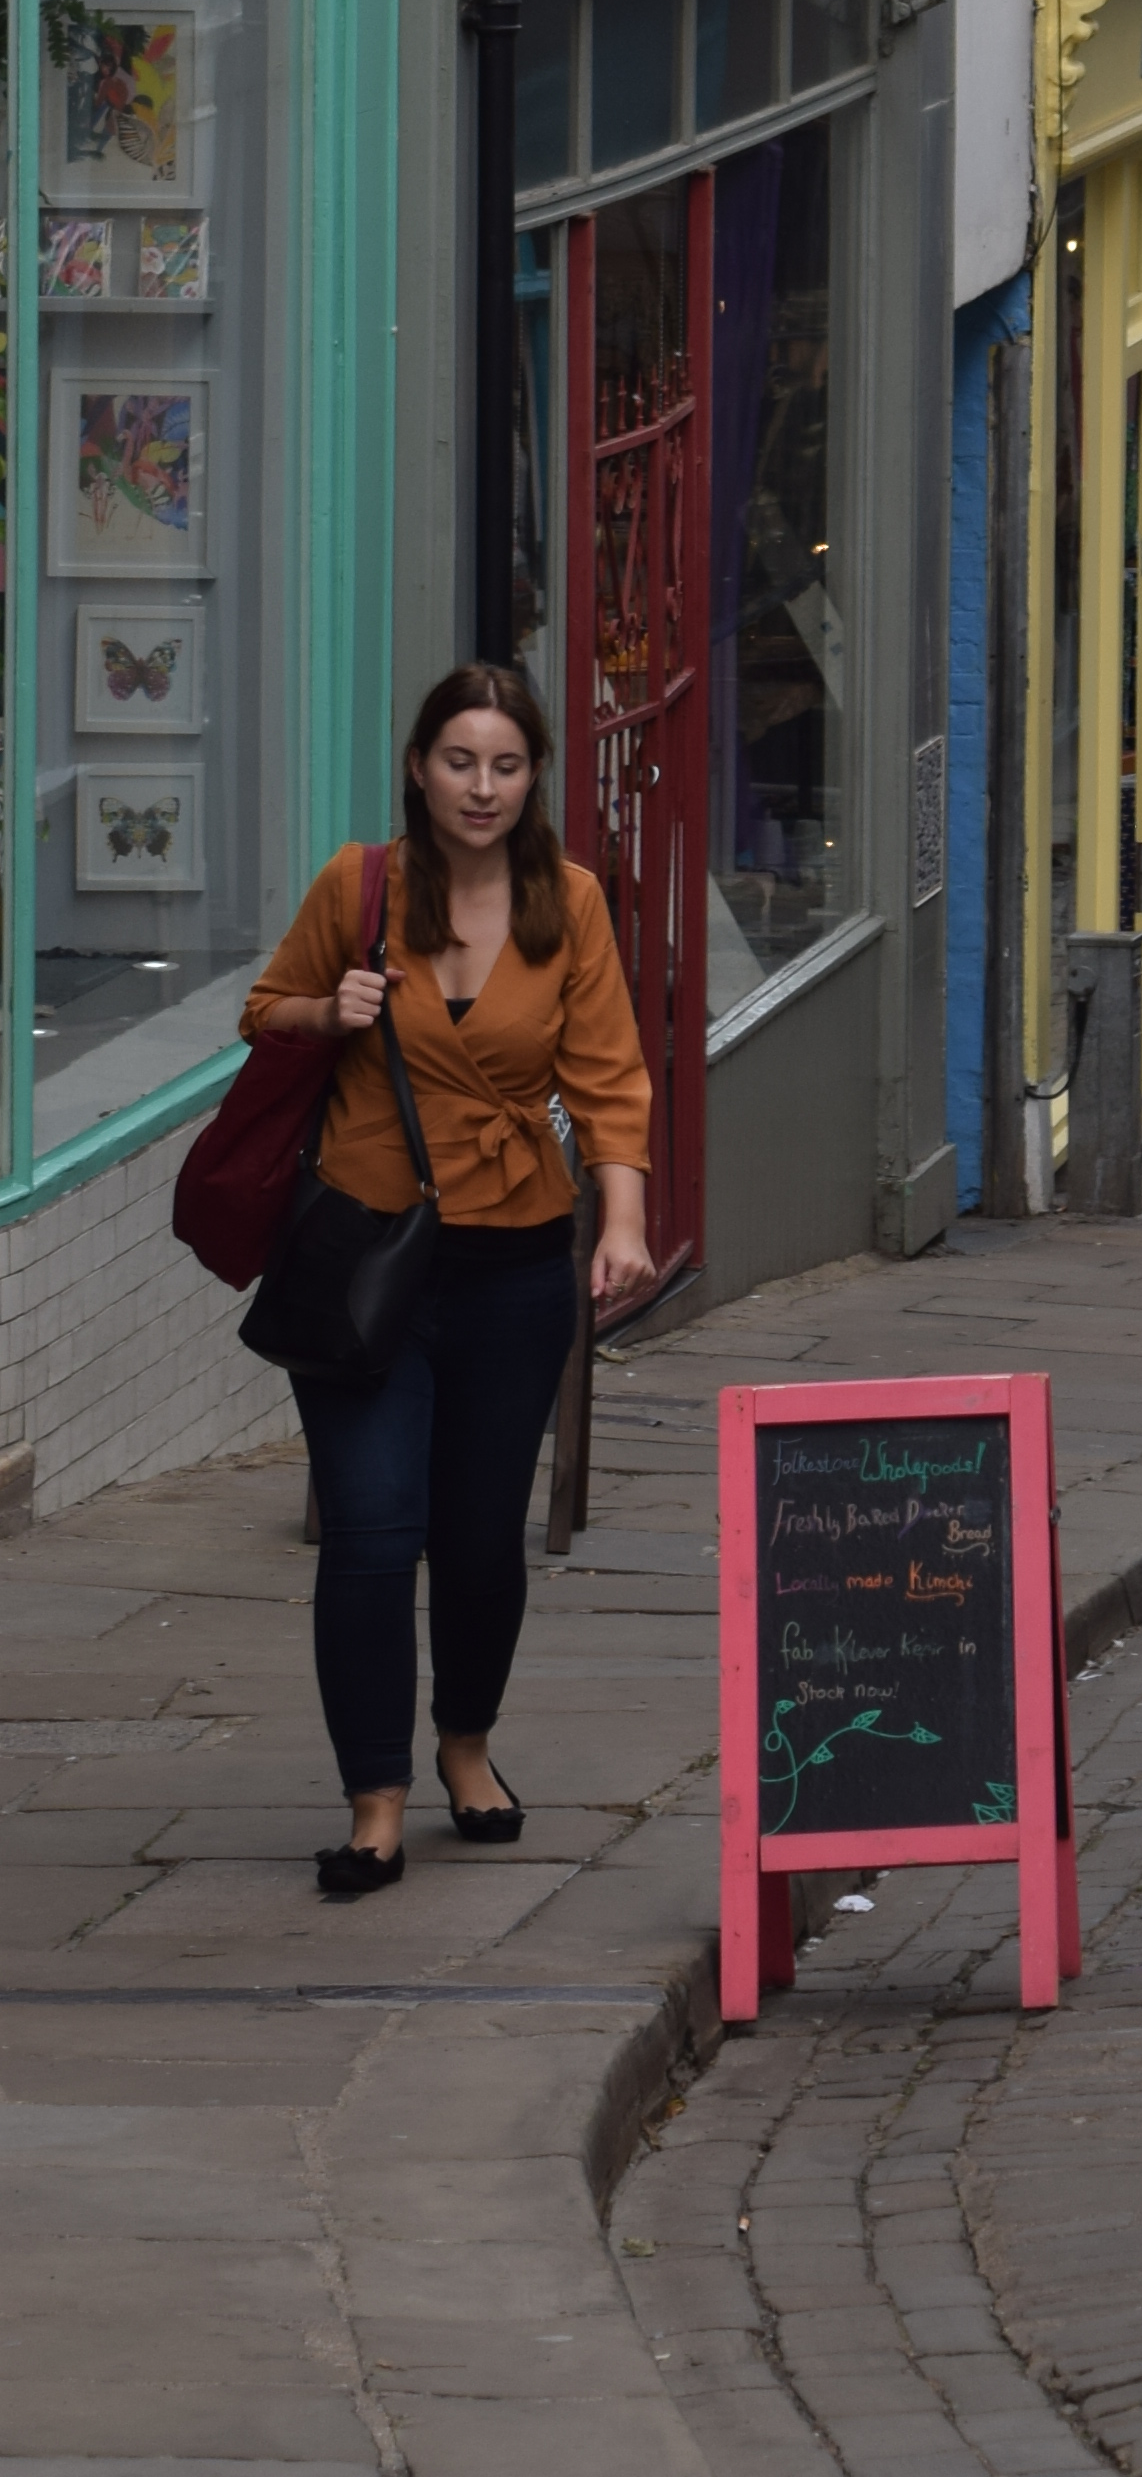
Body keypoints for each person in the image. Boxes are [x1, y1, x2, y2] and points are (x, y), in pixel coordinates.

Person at [236, 663, 656, 1898]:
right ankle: (374, 1800)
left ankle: (465, 1745)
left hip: (516, 1263)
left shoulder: (566, 902)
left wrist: (618, 1221)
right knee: (370, 1534)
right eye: (460, 761)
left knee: (478, 1542)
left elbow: (610, 1075)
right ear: (420, 767)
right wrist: (330, 1008)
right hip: (367, 1261)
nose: (482, 787)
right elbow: (262, 1012)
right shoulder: (360, 889)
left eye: (506, 765)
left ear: (533, 780)